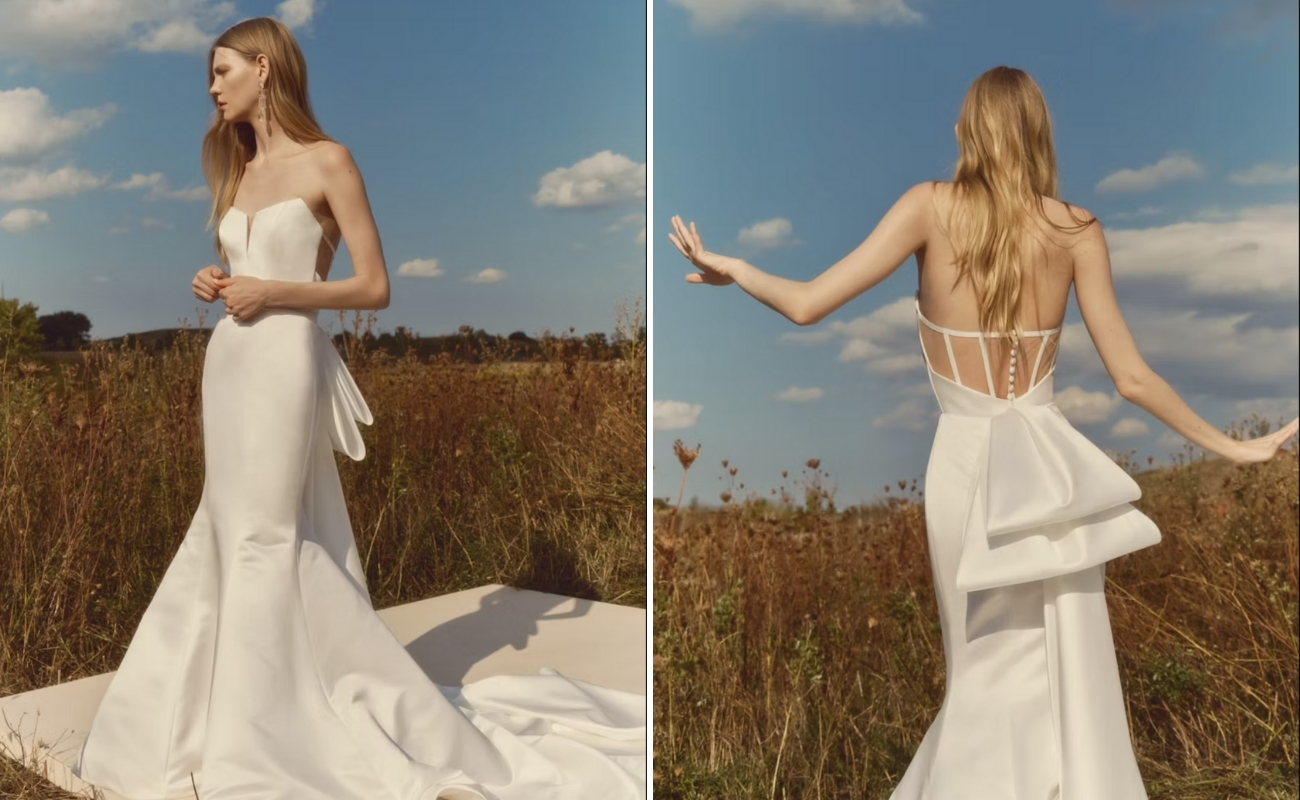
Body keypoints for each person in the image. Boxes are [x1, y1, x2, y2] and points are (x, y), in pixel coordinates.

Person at [668, 65, 1296, 799]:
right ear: (1038, 134)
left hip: (963, 467)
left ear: (970, 129)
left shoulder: (928, 208)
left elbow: (808, 306)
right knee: (1058, 676)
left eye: (961, 120)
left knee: (981, 670)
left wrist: (736, 267)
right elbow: (1132, 378)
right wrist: (1236, 445)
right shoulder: (1077, 230)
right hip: (1054, 473)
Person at [72, 17, 645, 800]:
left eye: (220, 70)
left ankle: (269, 731)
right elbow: (247, 265)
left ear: (264, 69)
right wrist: (216, 279)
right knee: (225, 524)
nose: (210, 87)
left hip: (285, 360)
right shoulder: (235, 170)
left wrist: (274, 290)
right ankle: (204, 721)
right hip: (231, 363)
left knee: (271, 534)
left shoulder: (330, 160)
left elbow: (373, 287)